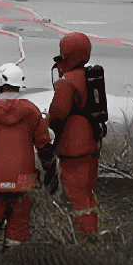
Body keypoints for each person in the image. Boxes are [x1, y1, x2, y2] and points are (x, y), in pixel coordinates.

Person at [0, 63, 57, 265]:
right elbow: (44, 146)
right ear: (19, 86)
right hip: (25, 181)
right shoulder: (32, 111)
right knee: (19, 222)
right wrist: (51, 175)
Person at [48, 32, 100, 237]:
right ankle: (93, 231)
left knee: (75, 194)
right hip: (91, 142)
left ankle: (83, 237)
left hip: (73, 147)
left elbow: (57, 115)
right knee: (88, 192)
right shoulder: (91, 76)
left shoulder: (67, 82)